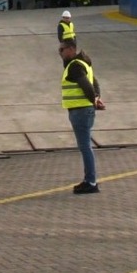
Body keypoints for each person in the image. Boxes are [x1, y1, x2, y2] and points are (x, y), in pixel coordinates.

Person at [58, 38, 102, 194]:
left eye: (62, 50)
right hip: (84, 110)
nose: (60, 53)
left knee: (85, 147)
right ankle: (89, 180)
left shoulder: (75, 66)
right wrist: (96, 98)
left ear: (71, 49)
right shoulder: (83, 63)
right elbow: (95, 83)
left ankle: (91, 182)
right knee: (86, 146)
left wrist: (94, 100)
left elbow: (87, 86)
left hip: (80, 111)